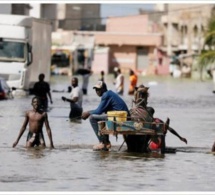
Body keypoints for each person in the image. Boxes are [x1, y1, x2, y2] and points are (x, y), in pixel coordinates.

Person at [81, 81, 129, 151]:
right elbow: (101, 111)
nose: (96, 91)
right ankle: (106, 142)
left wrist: (88, 113)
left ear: (103, 89)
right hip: (119, 115)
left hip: (119, 116)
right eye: (95, 89)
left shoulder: (106, 95)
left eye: (98, 89)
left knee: (92, 118)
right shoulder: (108, 94)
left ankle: (103, 142)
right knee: (101, 116)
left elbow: (98, 111)